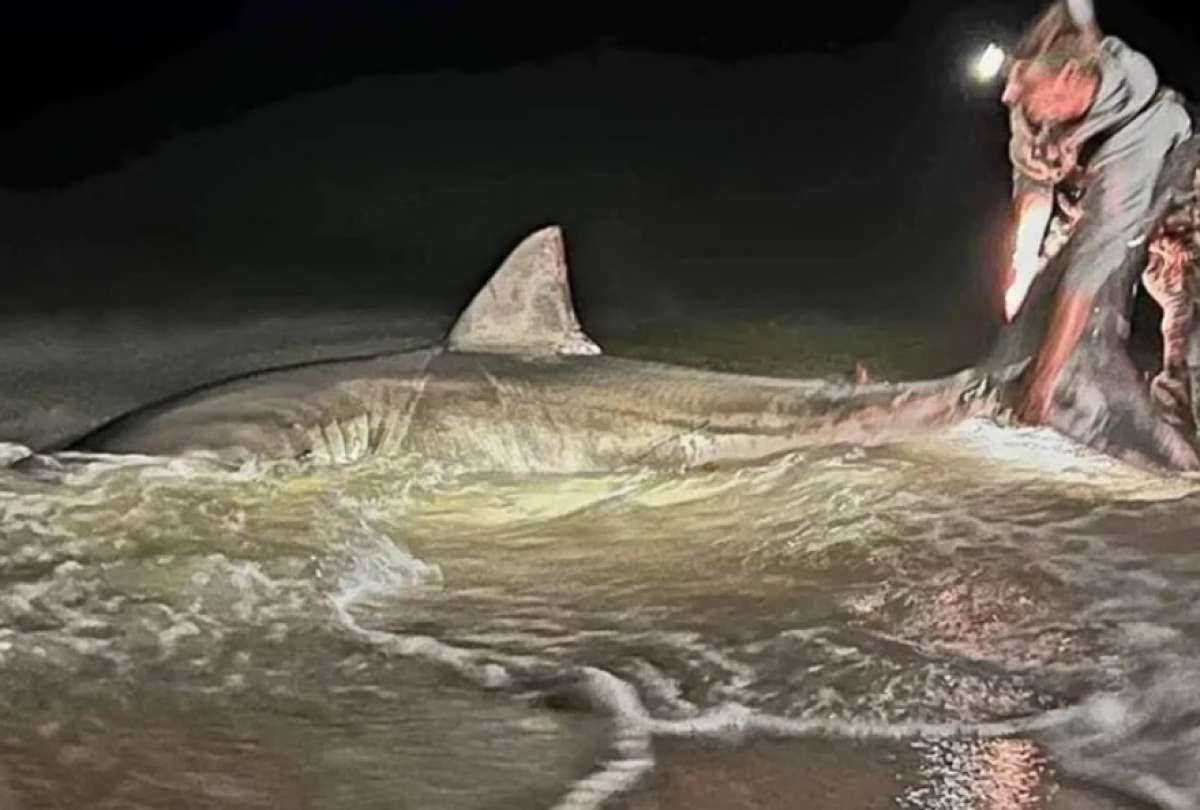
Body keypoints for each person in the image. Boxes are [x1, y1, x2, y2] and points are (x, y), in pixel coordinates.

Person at [999, 0, 1199, 428]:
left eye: (1024, 86)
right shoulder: (1036, 105)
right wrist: (1023, 268)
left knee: (1187, 310)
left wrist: (1042, 385)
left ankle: (1179, 429)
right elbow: (1033, 186)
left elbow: (1093, 261)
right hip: (1087, 193)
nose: (1009, 96)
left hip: (1175, 201)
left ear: (1069, 78)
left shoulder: (1135, 140)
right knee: (1039, 300)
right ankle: (1040, 382)